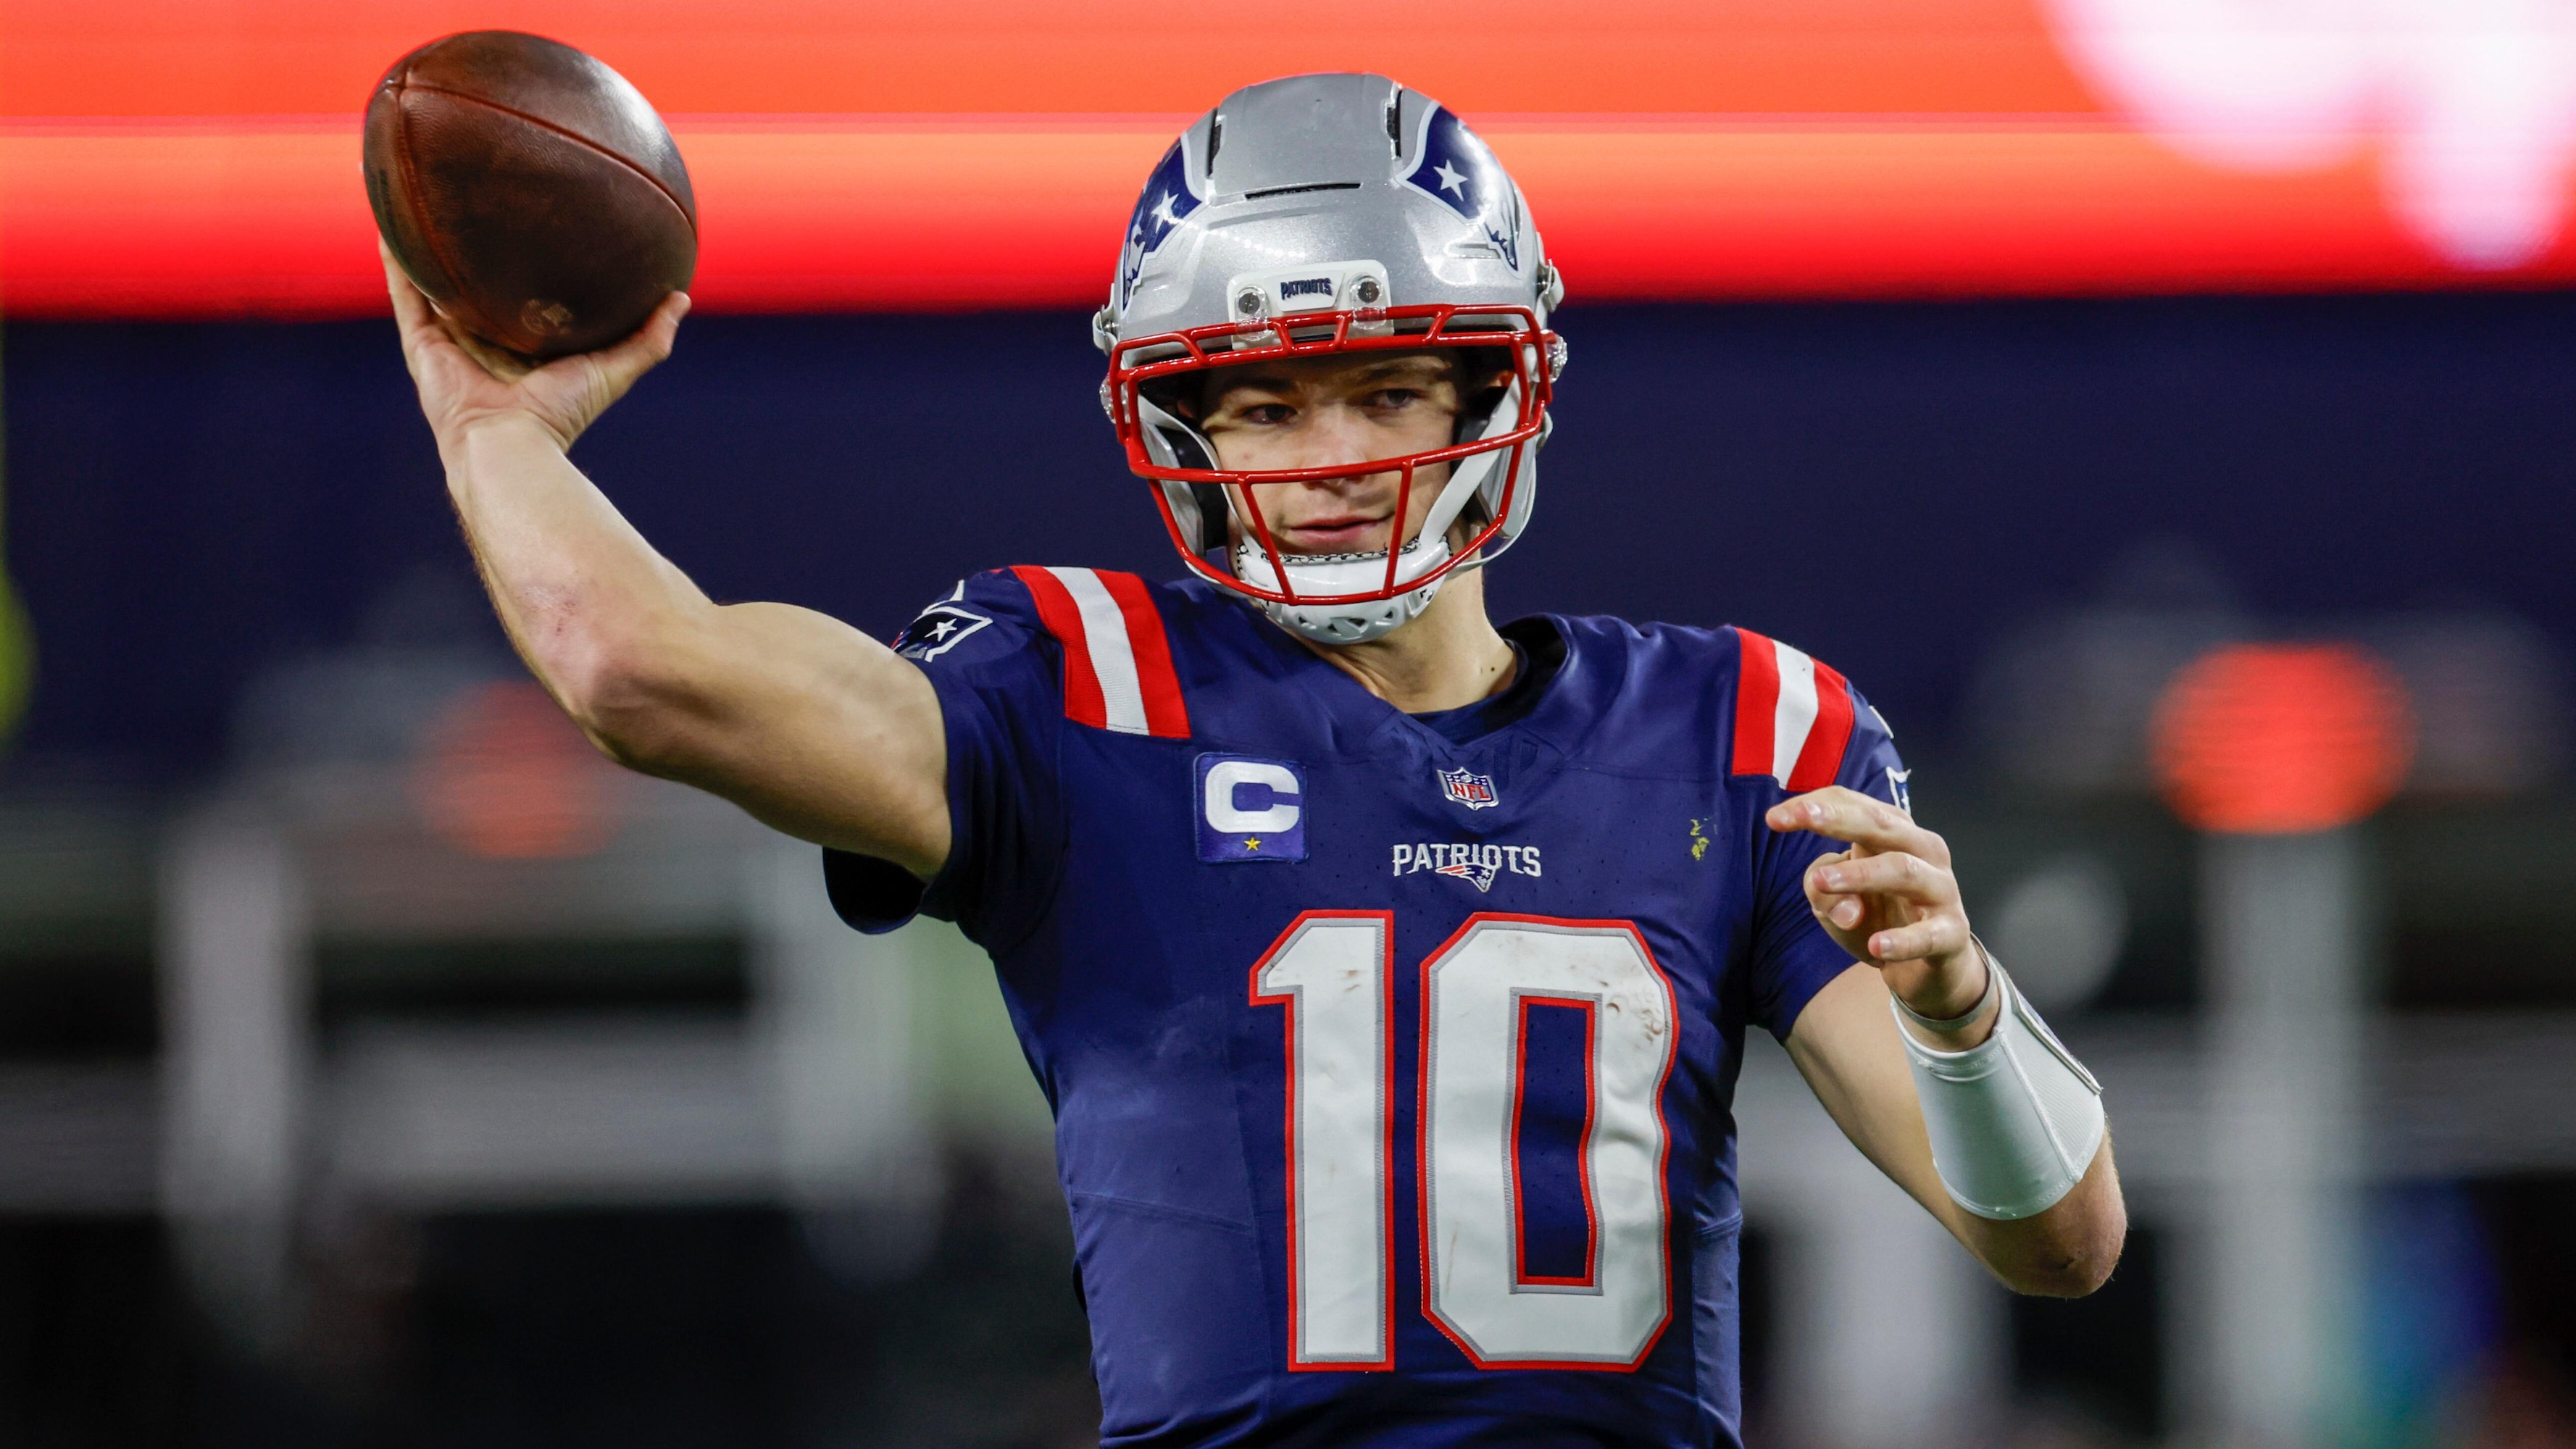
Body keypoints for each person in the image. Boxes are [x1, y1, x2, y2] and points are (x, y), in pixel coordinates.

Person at [387, 71, 2125, 1449]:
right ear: (1181, 431)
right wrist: (492, 429)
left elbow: (2058, 1240)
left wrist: (1960, 1013)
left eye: (1383, 391)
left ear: (1486, 394)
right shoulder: (1081, 688)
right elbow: (643, 671)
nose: (1329, 456)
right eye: (1265, 406)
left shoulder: (1738, 729)